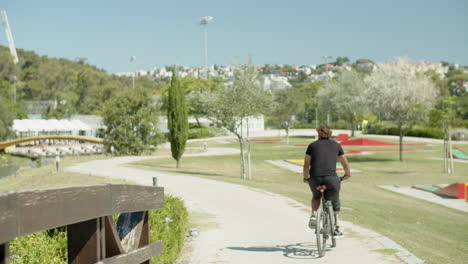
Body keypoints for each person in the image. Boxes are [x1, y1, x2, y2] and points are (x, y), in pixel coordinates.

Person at [303, 125, 351, 237]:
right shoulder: (336, 145)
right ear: (330, 133)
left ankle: (314, 215)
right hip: (331, 179)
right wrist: (347, 174)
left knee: (316, 196)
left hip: (315, 178)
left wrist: (306, 178)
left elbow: (306, 165)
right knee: (335, 198)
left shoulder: (312, 146)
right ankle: (336, 227)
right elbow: (345, 164)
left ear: (318, 134)